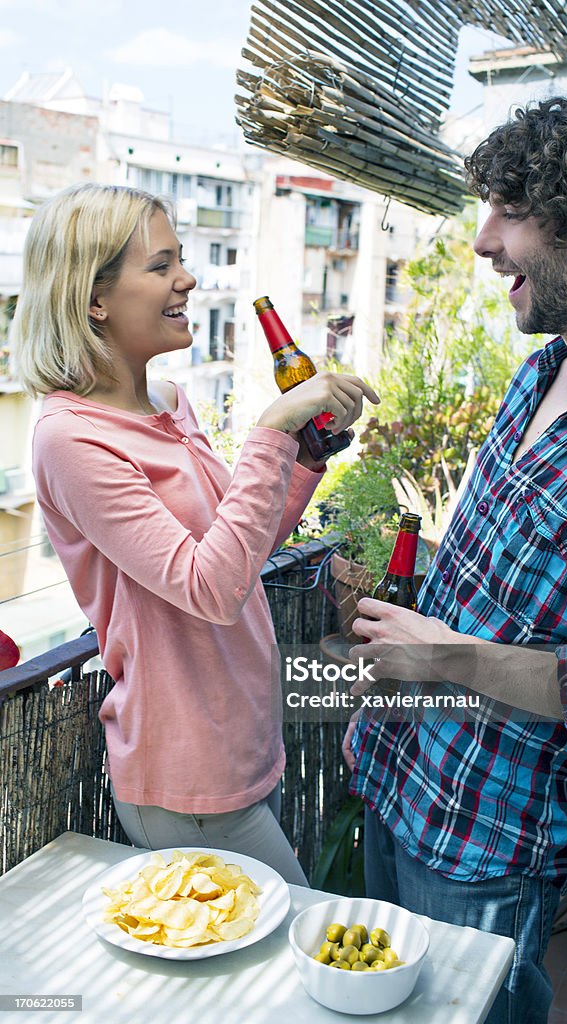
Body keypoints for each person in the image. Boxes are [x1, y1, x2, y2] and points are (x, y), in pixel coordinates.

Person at [344, 91, 567, 1023]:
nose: (483, 240)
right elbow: (494, 582)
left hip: (488, 840)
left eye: (512, 211)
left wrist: (440, 656)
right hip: (394, 771)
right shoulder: (541, 371)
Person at [13, 182, 379, 885]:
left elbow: (234, 556)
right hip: (186, 773)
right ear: (94, 299)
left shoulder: (168, 402)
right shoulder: (71, 438)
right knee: (277, 961)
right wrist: (270, 429)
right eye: (160, 266)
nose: (186, 278)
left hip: (238, 741)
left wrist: (301, 459)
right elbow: (208, 590)